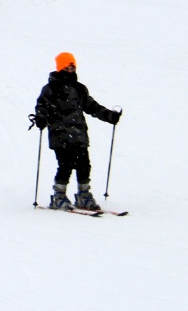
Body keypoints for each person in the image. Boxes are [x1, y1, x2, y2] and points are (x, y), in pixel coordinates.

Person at [31, 52, 121, 212]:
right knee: (65, 164)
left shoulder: (79, 89)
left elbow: (91, 106)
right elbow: (42, 106)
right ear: (60, 67)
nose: (70, 69)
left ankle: (83, 195)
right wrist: (41, 118)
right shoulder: (51, 88)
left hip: (79, 134)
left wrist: (109, 116)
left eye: (72, 66)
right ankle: (58, 196)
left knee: (84, 165)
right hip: (60, 134)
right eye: (67, 66)